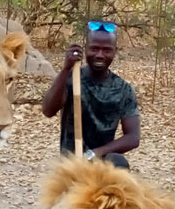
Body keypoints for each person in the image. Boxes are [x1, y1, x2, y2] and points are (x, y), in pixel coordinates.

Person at [42, 21, 140, 169]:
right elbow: (48, 110)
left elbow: (133, 137)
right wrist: (65, 69)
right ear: (85, 49)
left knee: (118, 162)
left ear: (115, 51)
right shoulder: (71, 79)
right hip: (72, 164)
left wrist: (96, 153)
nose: (100, 55)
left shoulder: (123, 89)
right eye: (94, 49)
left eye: (106, 50)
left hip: (102, 162)